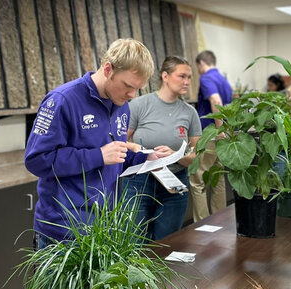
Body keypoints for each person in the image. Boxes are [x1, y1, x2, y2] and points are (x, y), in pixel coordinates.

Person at [25, 39, 171, 248]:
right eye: (128, 86)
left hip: (103, 229)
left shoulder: (121, 106)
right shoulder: (62, 100)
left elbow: (113, 154)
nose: (131, 95)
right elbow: (36, 160)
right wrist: (98, 156)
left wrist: (143, 157)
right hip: (62, 232)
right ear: (108, 69)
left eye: (138, 89)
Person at [123, 56, 201, 240]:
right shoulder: (139, 105)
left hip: (173, 184)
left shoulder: (190, 113)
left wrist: (175, 155)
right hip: (138, 181)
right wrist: (142, 151)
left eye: (189, 77)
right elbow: (119, 141)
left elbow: (196, 156)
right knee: (135, 242)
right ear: (165, 76)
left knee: (168, 243)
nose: (187, 82)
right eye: (182, 76)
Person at [191, 50, 233, 222]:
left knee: (198, 180)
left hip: (210, 133)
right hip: (224, 134)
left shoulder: (206, 78)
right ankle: (219, 221)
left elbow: (216, 101)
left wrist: (219, 130)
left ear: (201, 63)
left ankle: (201, 223)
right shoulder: (224, 80)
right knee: (218, 178)